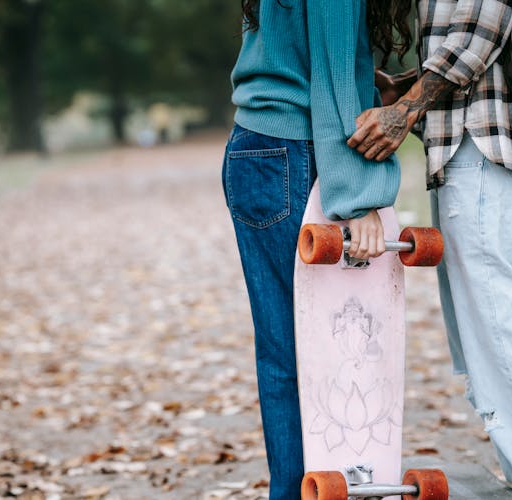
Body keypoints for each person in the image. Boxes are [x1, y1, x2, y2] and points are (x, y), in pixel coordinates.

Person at [347, 0, 512, 498]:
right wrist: (405, 87)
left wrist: (404, 109)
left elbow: (478, 31)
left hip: (483, 154)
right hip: (475, 154)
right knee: (492, 353)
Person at [221, 1, 411, 498]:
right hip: (294, 153)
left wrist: (373, 85)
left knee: (284, 350)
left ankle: (293, 490)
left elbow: (303, 48)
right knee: (312, 352)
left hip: (256, 146)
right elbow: (329, 77)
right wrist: (357, 196)